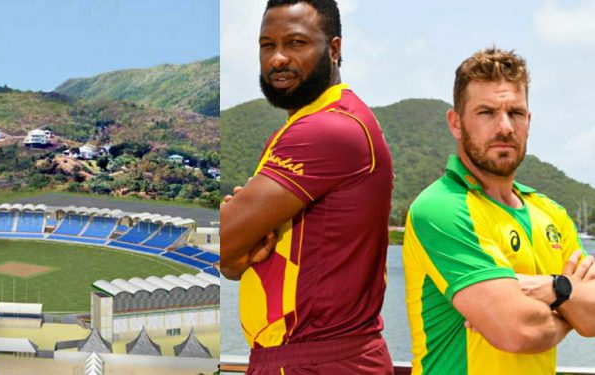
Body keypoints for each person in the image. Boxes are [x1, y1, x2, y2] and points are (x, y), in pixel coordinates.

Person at [220, 0, 394, 373]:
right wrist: (238, 248)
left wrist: (237, 235)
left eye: (296, 43)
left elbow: (221, 239)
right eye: (267, 45)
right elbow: (230, 260)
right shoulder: (310, 125)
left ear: (334, 49)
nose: (278, 58)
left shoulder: (328, 130)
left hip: (315, 361)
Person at [403, 47, 595, 375]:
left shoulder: (551, 213)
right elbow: (518, 331)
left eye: (516, 113)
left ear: (529, 121)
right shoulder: (442, 208)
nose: (505, 127)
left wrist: (550, 288)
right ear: (456, 123)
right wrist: (568, 304)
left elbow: (592, 318)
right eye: (486, 112)